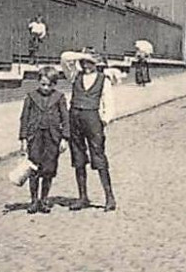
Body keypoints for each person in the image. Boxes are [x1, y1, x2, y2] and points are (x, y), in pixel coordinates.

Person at [67, 53, 117, 211]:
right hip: (74, 118)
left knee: (99, 156)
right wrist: (82, 54)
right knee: (78, 157)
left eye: (90, 62)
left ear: (96, 64)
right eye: (84, 62)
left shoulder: (104, 80)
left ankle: (109, 197)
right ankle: (83, 197)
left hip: (93, 119)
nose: (86, 65)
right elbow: (64, 57)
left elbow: (108, 102)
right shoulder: (75, 75)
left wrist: (104, 120)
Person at [18, 68, 68, 215]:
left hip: (52, 138)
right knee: (33, 168)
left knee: (49, 169)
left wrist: (64, 138)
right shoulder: (31, 97)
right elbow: (24, 118)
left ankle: (44, 200)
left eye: (49, 85)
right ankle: (33, 201)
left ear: (54, 84)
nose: (46, 88)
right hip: (35, 137)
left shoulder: (59, 97)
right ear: (39, 82)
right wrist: (23, 138)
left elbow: (65, 118)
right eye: (43, 84)